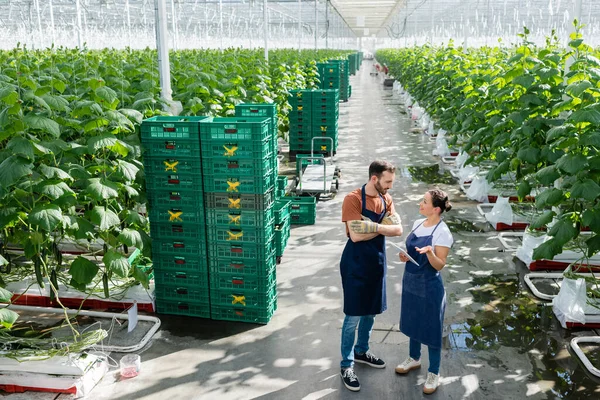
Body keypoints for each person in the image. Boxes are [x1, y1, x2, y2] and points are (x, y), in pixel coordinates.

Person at [339, 160, 403, 392]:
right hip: (355, 264)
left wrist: (371, 226)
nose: (390, 187)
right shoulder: (353, 199)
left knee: (371, 312)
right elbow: (355, 237)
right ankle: (346, 364)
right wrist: (381, 227)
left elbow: (397, 229)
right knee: (353, 316)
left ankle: (361, 351)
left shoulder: (386, 199)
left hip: (376, 263)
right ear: (374, 178)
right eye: (387, 182)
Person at [395, 189, 453, 395]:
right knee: (412, 320)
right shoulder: (417, 224)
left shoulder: (442, 232)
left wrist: (429, 253)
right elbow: (410, 252)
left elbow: (439, 265)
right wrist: (404, 256)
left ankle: (434, 372)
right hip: (411, 281)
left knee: (431, 328)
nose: (420, 203)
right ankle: (414, 358)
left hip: (429, 286)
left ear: (436, 209)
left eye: (425, 201)